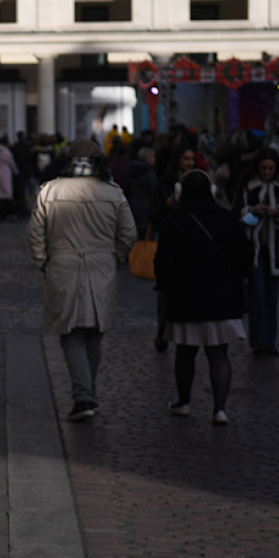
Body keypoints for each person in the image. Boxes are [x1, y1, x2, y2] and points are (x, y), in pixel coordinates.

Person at [28, 139, 136, 421]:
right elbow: (128, 233)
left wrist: (43, 262)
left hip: (63, 264)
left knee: (72, 334)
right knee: (93, 333)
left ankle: (83, 396)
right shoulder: (112, 192)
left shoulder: (50, 191)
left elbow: (36, 234)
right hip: (101, 265)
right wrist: (115, 257)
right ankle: (87, 392)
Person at [156, 170, 253, 425]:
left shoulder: (175, 221)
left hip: (185, 296)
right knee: (219, 355)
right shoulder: (228, 219)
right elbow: (245, 256)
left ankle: (184, 402)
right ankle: (219, 408)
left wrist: (166, 287)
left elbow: (163, 261)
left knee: (185, 353)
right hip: (223, 296)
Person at [234, 148, 279, 355]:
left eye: (270, 169)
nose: (267, 172)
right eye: (263, 168)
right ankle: (258, 340)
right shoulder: (249, 186)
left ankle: (269, 341)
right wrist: (252, 211)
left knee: (271, 297)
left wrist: (278, 212)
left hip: (277, 249)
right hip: (255, 248)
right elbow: (237, 213)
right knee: (258, 294)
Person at [147, 145, 198, 352]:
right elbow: (154, 214)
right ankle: (163, 328)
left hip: (191, 238)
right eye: (186, 159)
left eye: (192, 159)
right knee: (166, 285)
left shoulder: (198, 182)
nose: (190, 163)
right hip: (169, 237)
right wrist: (168, 205)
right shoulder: (164, 184)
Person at [126, 147, 158, 239]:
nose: (154, 159)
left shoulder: (132, 171)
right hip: (147, 209)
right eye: (152, 156)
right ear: (147, 158)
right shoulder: (149, 173)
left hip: (133, 207)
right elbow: (154, 191)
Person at [0, 138, 18, 221]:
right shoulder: (6, 152)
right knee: (7, 194)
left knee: (0, 194)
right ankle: (8, 212)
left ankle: (1, 213)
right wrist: (16, 171)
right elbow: (11, 163)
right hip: (5, 173)